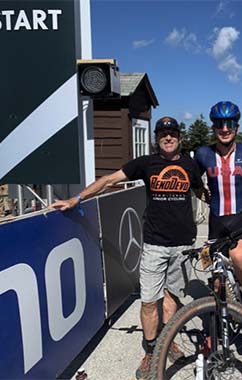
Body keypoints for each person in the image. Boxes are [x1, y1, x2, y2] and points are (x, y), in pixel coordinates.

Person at [50, 116, 205, 380]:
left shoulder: (191, 165)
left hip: (182, 245)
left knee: (172, 299)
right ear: (157, 138)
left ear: (179, 137)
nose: (168, 137)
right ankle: (150, 351)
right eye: (163, 133)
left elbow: (204, 193)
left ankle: (167, 343)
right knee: (148, 302)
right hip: (154, 244)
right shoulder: (146, 164)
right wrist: (76, 198)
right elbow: (110, 180)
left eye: (173, 133)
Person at [195, 100, 242, 324]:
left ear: (237, 126)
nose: (224, 128)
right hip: (216, 222)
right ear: (213, 127)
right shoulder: (203, 154)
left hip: (241, 218)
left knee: (238, 256)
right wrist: (203, 195)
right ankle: (225, 316)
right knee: (216, 280)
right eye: (219, 124)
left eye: (230, 123)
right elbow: (195, 181)